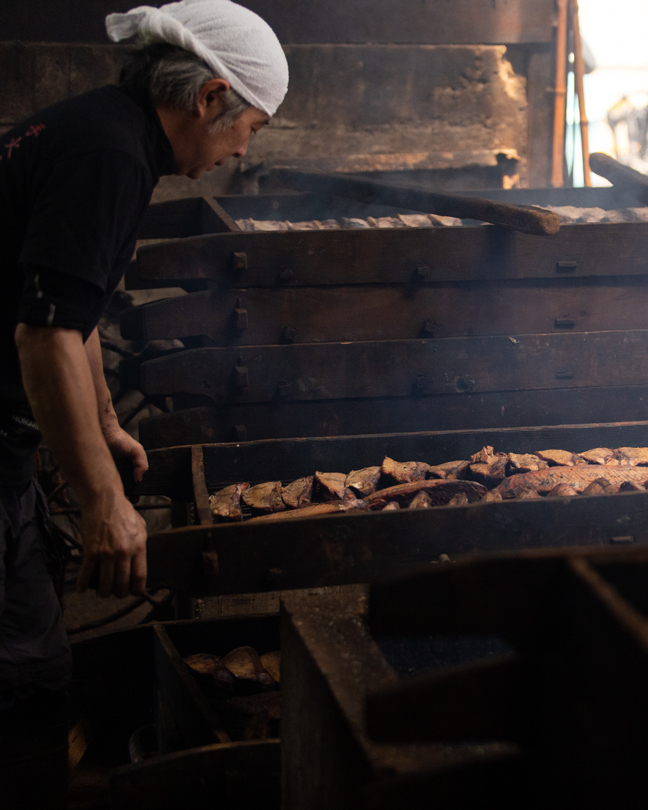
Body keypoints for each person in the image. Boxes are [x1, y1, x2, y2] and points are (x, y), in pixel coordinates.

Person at [0, 1, 288, 805]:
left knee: (33, 661)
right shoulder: (111, 157)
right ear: (208, 98)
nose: (240, 151)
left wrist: (100, 423)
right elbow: (44, 336)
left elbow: (72, 309)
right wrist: (101, 503)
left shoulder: (108, 132)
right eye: (251, 128)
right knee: (23, 679)